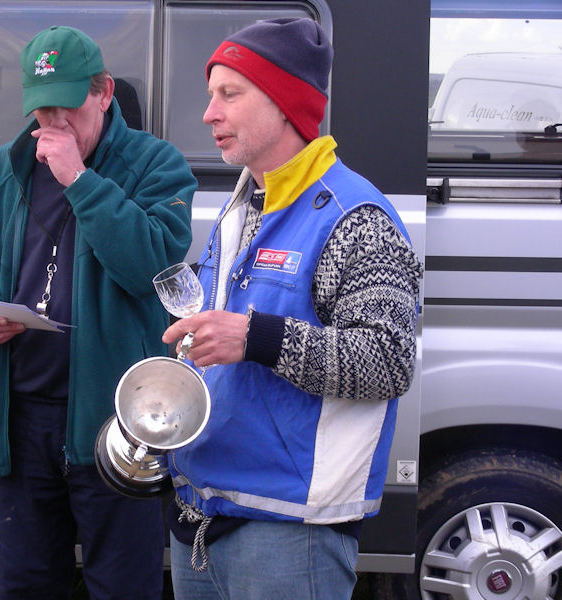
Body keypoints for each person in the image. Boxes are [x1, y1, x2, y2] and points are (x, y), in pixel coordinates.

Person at [161, 18, 423, 600]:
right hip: (200, 512)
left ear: (284, 103)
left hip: (288, 533)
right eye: (211, 95)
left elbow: (388, 359)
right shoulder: (241, 205)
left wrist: (255, 337)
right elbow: (220, 349)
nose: (209, 114)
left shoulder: (355, 217)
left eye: (230, 94)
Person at [0, 25, 197, 599]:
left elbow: (150, 263)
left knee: (123, 587)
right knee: (26, 586)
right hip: (22, 419)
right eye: (42, 110)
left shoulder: (158, 166)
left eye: (68, 107)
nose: (53, 125)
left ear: (104, 91)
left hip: (117, 422)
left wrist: (78, 179)